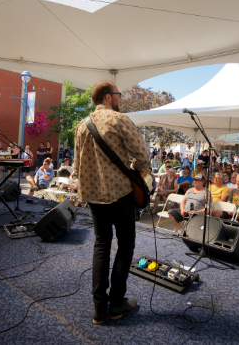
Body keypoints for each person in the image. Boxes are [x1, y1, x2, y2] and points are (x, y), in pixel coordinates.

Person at [74, 80, 149, 324]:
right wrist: (137, 173)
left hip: (94, 197)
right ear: (108, 97)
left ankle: (99, 309)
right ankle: (116, 304)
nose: (119, 98)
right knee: (126, 245)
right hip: (120, 194)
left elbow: (77, 166)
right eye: (117, 94)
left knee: (101, 245)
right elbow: (142, 154)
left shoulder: (80, 127)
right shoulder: (120, 119)